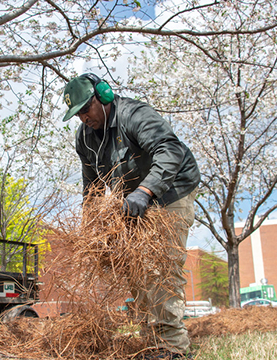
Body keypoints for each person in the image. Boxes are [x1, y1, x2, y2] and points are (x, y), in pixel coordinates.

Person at [62, 73, 200, 359]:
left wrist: (146, 191)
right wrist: (90, 226)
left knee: (161, 267)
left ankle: (171, 347)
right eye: (78, 114)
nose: (84, 118)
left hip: (171, 190)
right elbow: (93, 185)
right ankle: (151, 341)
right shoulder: (85, 138)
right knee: (136, 268)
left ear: (103, 96)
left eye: (87, 109)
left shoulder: (134, 115)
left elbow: (170, 150)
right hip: (135, 200)